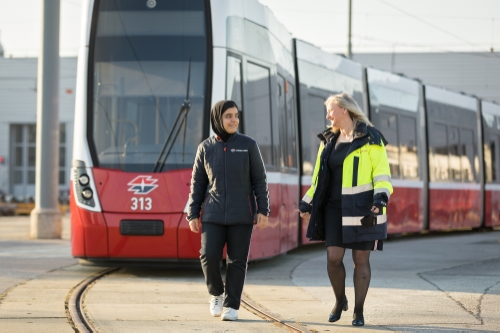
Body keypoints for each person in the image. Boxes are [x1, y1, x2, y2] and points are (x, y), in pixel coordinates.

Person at [298, 93, 393, 326]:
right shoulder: (328, 140)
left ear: (345, 110)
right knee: (333, 257)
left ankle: (358, 311)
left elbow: (382, 174)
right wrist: (307, 201)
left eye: (331, 110)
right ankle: (340, 300)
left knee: (360, 259)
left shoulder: (372, 138)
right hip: (332, 208)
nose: (328, 115)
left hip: (363, 207)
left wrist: (380, 199)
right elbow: (319, 177)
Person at [187, 100, 270, 321]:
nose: (233, 120)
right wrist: (193, 213)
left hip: (241, 214)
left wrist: (263, 209)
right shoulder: (205, 148)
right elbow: (197, 184)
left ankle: (232, 305)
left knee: (237, 261)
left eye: (235, 116)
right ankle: (216, 293)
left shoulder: (248, 145)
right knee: (208, 255)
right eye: (228, 116)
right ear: (218, 119)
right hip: (213, 213)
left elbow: (259, 180)